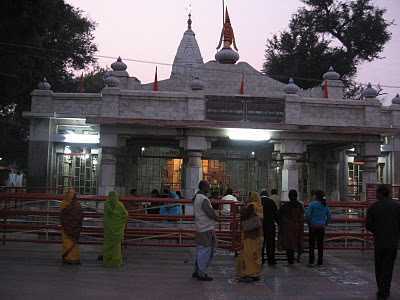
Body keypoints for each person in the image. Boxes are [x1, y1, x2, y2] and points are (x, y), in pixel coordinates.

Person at [366, 185, 400, 300]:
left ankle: (381, 289)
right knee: (388, 267)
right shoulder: (397, 206)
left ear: (379, 194)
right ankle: (386, 290)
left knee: (379, 267)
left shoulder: (374, 207)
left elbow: (368, 225)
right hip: (392, 241)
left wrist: (377, 230)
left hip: (379, 241)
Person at [192, 180, 218, 281]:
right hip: (206, 228)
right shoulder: (203, 199)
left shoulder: (197, 197)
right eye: (208, 186)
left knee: (201, 250)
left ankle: (197, 270)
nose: (209, 188)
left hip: (200, 227)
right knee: (206, 251)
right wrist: (217, 217)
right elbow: (210, 213)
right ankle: (201, 273)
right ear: (204, 187)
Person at [237, 192, 263, 282]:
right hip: (257, 234)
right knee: (256, 254)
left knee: (248, 254)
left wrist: (244, 205)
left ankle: (248, 272)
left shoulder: (251, 206)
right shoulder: (260, 206)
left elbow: (243, 215)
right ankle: (256, 273)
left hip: (249, 234)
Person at [103, 191, 128, 268]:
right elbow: (125, 215)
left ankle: (107, 261)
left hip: (108, 229)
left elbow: (106, 216)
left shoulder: (106, 204)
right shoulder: (120, 205)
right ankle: (116, 262)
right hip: (118, 229)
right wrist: (121, 223)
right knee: (116, 247)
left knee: (108, 245)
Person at [305, 190, 331, 266]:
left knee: (312, 245)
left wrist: (309, 222)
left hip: (313, 226)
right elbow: (329, 216)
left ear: (316, 196)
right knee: (320, 245)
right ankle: (320, 262)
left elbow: (307, 215)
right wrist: (325, 223)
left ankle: (311, 261)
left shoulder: (312, 204)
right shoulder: (325, 205)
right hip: (321, 227)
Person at [278, 189, 304, 264]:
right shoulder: (299, 205)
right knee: (298, 242)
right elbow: (302, 216)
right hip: (297, 226)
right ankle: (298, 257)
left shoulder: (285, 205)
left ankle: (290, 259)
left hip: (288, 227)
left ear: (289, 196)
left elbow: (278, 215)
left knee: (289, 244)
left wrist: (282, 223)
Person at [60, 189, 83, 265]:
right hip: (75, 229)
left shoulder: (64, 204)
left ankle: (67, 257)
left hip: (66, 228)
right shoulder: (78, 205)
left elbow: (62, 216)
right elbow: (80, 217)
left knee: (67, 242)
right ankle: (74, 258)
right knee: (73, 242)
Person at [260, 190, 278, 265]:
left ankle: (261, 258)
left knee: (261, 243)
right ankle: (271, 259)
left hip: (260, 225)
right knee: (270, 243)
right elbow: (275, 213)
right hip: (270, 225)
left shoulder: (258, 202)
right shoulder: (271, 202)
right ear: (267, 195)